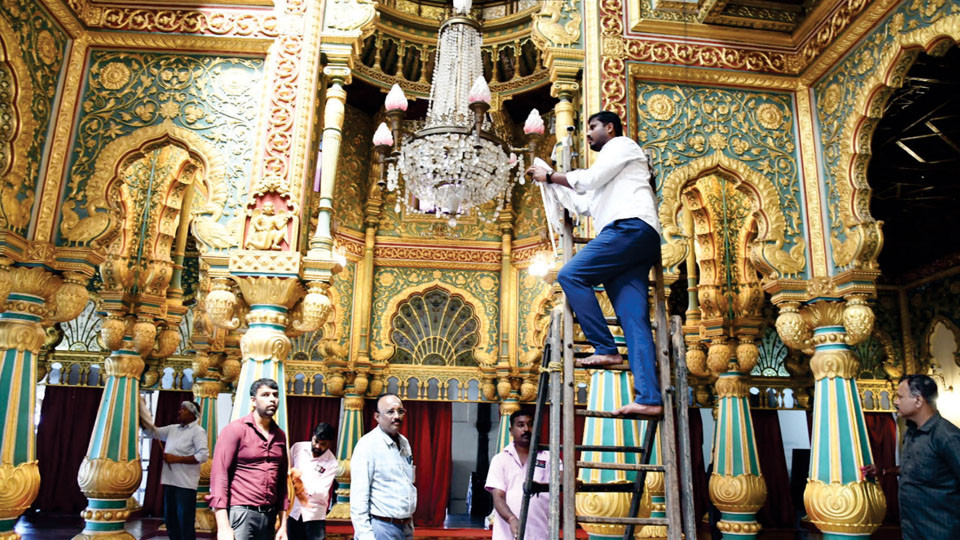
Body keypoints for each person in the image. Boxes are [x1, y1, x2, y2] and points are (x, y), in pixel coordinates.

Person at [526, 110, 663, 417]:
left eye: (593, 127)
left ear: (610, 128)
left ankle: (605, 348)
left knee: (571, 275)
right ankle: (650, 399)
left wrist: (550, 176)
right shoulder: (608, 172)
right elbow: (581, 202)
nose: (588, 134)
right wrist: (549, 182)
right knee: (634, 322)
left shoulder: (622, 145)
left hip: (630, 229)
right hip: (631, 243)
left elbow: (589, 180)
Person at [861, 374, 960, 539]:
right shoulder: (911, 433)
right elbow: (917, 468)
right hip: (912, 532)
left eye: (900, 397)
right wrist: (884, 471)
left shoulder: (946, 436)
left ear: (918, 400)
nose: (896, 402)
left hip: (941, 533)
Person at [209, 378, 289, 540]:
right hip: (242, 513)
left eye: (275, 395)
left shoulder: (280, 436)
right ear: (253, 401)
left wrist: (283, 526)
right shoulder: (235, 430)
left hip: (269, 516)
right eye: (265, 395)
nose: (272, 399)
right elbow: (220, 476)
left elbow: (282, 483)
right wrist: (223, 526)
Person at [139, 398, 209, 540]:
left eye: (184, 409)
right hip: (170, 481)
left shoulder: (198, 431)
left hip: (185, 484)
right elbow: (152, 432)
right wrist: (141, 413)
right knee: (171, 520)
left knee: (185, 521)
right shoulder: (173, 429)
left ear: (192, 414)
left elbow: (203, 456)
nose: (180, 411)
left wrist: (177, 459)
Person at [350, 393, 417, 540]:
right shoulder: (367, 445)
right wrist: (366, 536)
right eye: (390, 412)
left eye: (400, 411)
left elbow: (407, 484)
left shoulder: (404, 442)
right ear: (377, 417)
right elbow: (358, 498)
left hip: (404, 526)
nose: (396, 416)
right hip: (381, 527)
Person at [485, 409, 553, 540]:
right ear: (511, 431)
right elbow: (498, 497)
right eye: (520, 425)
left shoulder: (550, 457)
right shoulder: (500, 460)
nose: (526, 429)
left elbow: (561, 482)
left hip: (540, 533)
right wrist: (511, 519)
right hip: (506, 535)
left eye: (530, 424)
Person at [288, 422, 338, 540]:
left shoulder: (332, 463)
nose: (317, 446)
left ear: (330, 443)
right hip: (293, 511)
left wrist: (299, 482)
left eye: (323, 444)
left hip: (314, 515)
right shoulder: (297, 447)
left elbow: (321, 492)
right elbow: (287, 470)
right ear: (313, 436)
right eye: (316, 441)